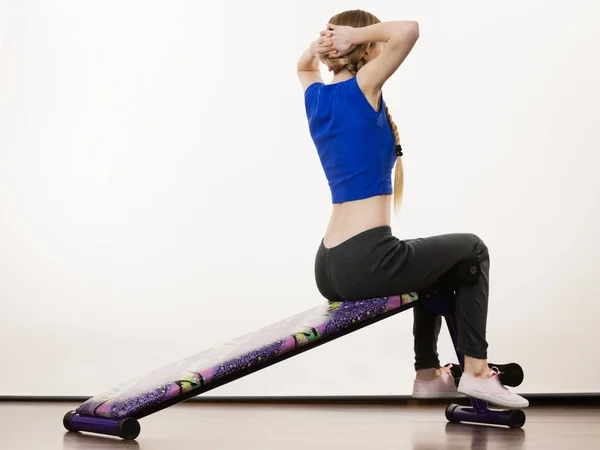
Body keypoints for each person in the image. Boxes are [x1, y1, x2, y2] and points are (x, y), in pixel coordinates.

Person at [296, 9, 528, 409]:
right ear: (366, 48)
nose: (384, 45)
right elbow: (409, 30)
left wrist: (325, 42)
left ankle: (428, 375)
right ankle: (476, 372)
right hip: (363, 258)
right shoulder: (362, 87)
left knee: (439, 266)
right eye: (375, 42)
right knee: (472, 249)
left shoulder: (316, 96)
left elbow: (303, 65)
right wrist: (351, 33)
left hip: (330, 264)